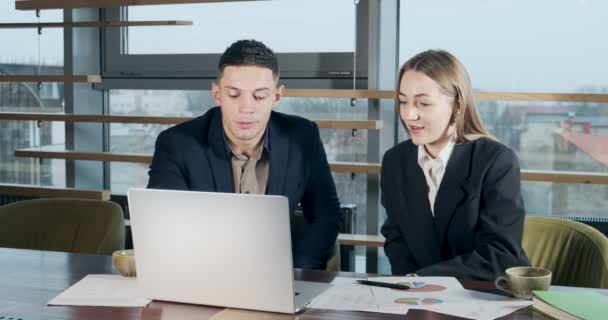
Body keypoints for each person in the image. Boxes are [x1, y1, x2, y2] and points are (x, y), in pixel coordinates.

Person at [147, 39, 341, 270]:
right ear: (217, 94)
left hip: (278, 275)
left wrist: (295, 272)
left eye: (259, 96)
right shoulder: (177, 144)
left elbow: (326, 215)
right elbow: (166, 225)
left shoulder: (303, 137)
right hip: (202, 274)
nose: (246, 108)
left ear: (276, 98)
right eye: (234, 95)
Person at [380, 50, 530, 280]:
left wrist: (422, 279)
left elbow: (501, 254)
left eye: (424, 103)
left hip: (485, 295)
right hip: (417, 297)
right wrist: (408, 283)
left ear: (458, 105)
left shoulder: (496, 161)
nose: (409, 115)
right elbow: (395, 236)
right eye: (403, 101)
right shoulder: (394, 161)